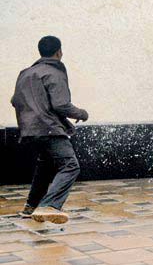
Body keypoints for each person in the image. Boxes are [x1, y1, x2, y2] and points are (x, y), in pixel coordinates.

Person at [11, 36, 89, 224]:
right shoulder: (54, 72)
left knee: (45, 165)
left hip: (29, 130)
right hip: (49, 129)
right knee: (70, 165)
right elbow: (61, 104)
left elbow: (15, 100)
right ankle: (50, 205)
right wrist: (82, 113)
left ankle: (31, 207)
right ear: (59, 52)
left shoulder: (25, 73)